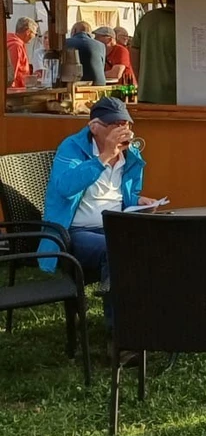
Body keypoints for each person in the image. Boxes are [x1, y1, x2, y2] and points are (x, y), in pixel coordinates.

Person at [40, 98, 155, 322]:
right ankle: (119, 330)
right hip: (77, 231)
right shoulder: (72, 147)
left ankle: (151, 318)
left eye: (125, 124)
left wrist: (138, 201)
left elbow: (121, 194)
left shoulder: (130, 153)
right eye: (114, 124)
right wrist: (104, 157)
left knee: (157, 243)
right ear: (94, 127)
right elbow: (65, 187)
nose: (122, 130)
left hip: (116, 224)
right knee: (116, 249)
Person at [134, 0, 177, 104]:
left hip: (146, 93)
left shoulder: (147, 18)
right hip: (176, 95)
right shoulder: (183, 20)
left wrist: (141, 80)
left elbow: (134, 51)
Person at [6, 16, 36, 88]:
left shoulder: (9, 40)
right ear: (28, 32)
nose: (34, 36)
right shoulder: (16, 46)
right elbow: (12, 73)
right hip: (15, 90)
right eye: (34, 33)